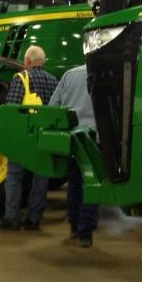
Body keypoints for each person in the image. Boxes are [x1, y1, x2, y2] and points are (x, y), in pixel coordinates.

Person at [0, 45, 58, 231]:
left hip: (24, 136)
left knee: (15, 177)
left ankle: (12, 218)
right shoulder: (53, 80)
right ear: (43, 61)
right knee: (41, 178)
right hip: (44, 137)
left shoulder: (21, 78)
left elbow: (12, 109)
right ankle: (34, 219)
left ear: (27, 62)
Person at [48, 64, 100, 247]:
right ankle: (85, 234)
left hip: (72, 138)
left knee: (74, 183)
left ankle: (73, 226)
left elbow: (53, 106)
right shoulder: (103, 72)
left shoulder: (69, 75)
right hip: (95, 138)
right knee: (92, 185)